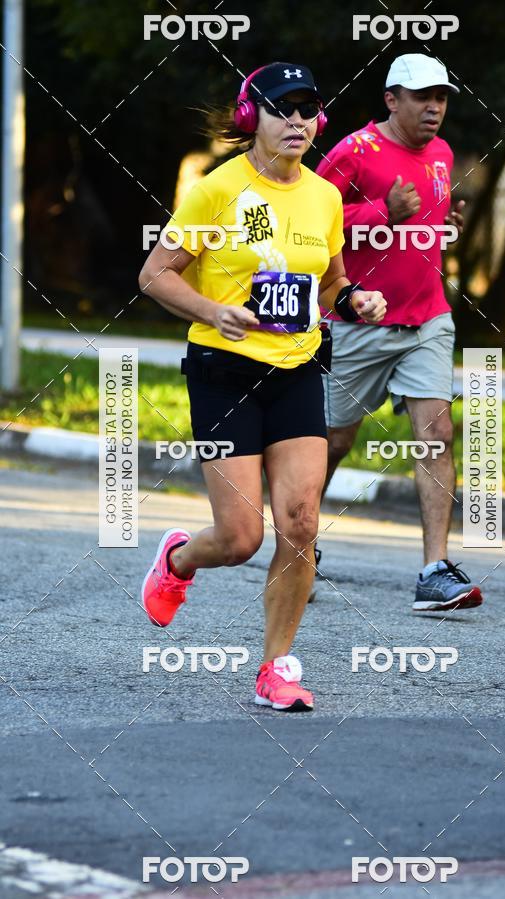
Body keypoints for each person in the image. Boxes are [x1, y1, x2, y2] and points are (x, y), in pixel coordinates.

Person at [138, 62, 386, 711]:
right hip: (225, 371)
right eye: (282, 108)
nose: (297, 121)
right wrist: (212, 309)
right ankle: (179, 560)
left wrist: (354, 298)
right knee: (241, 535)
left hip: (298, 368)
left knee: (300, 520)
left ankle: (276, 667)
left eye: (308, 109)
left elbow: (329, 280)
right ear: (253, 118)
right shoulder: (216, 192)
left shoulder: (323, 197)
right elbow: (155, 274)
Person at [315, 53, 483, 612]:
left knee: (436, 434)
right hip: (358, 322)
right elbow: (311, 221)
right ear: (391, 100)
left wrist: (445, 229)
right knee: (334, 442)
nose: (434, 107)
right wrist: (379, 214)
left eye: (441, 97)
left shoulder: (441, 153)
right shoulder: (353, 152)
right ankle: (298, 540)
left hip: (427, 318)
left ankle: (434, 571)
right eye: (421, 97)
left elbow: (422, 227)